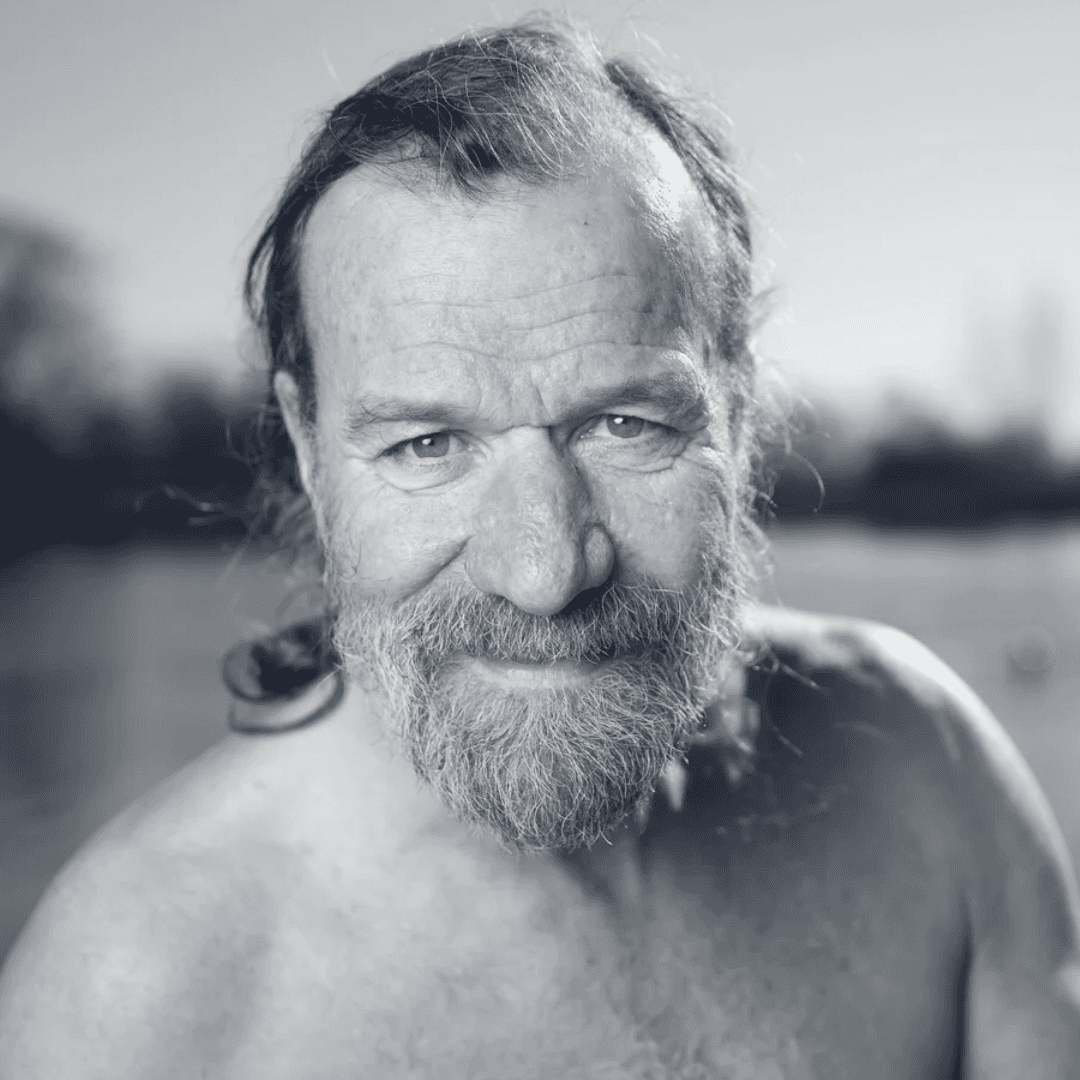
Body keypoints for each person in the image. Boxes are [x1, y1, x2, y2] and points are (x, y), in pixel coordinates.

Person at [1, 17, 1078, 1079]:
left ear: (737, 419)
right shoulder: (126, 1005)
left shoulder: (922, 769)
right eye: (428, 443)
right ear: (308, 449)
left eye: (623, 426)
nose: (546, 572)